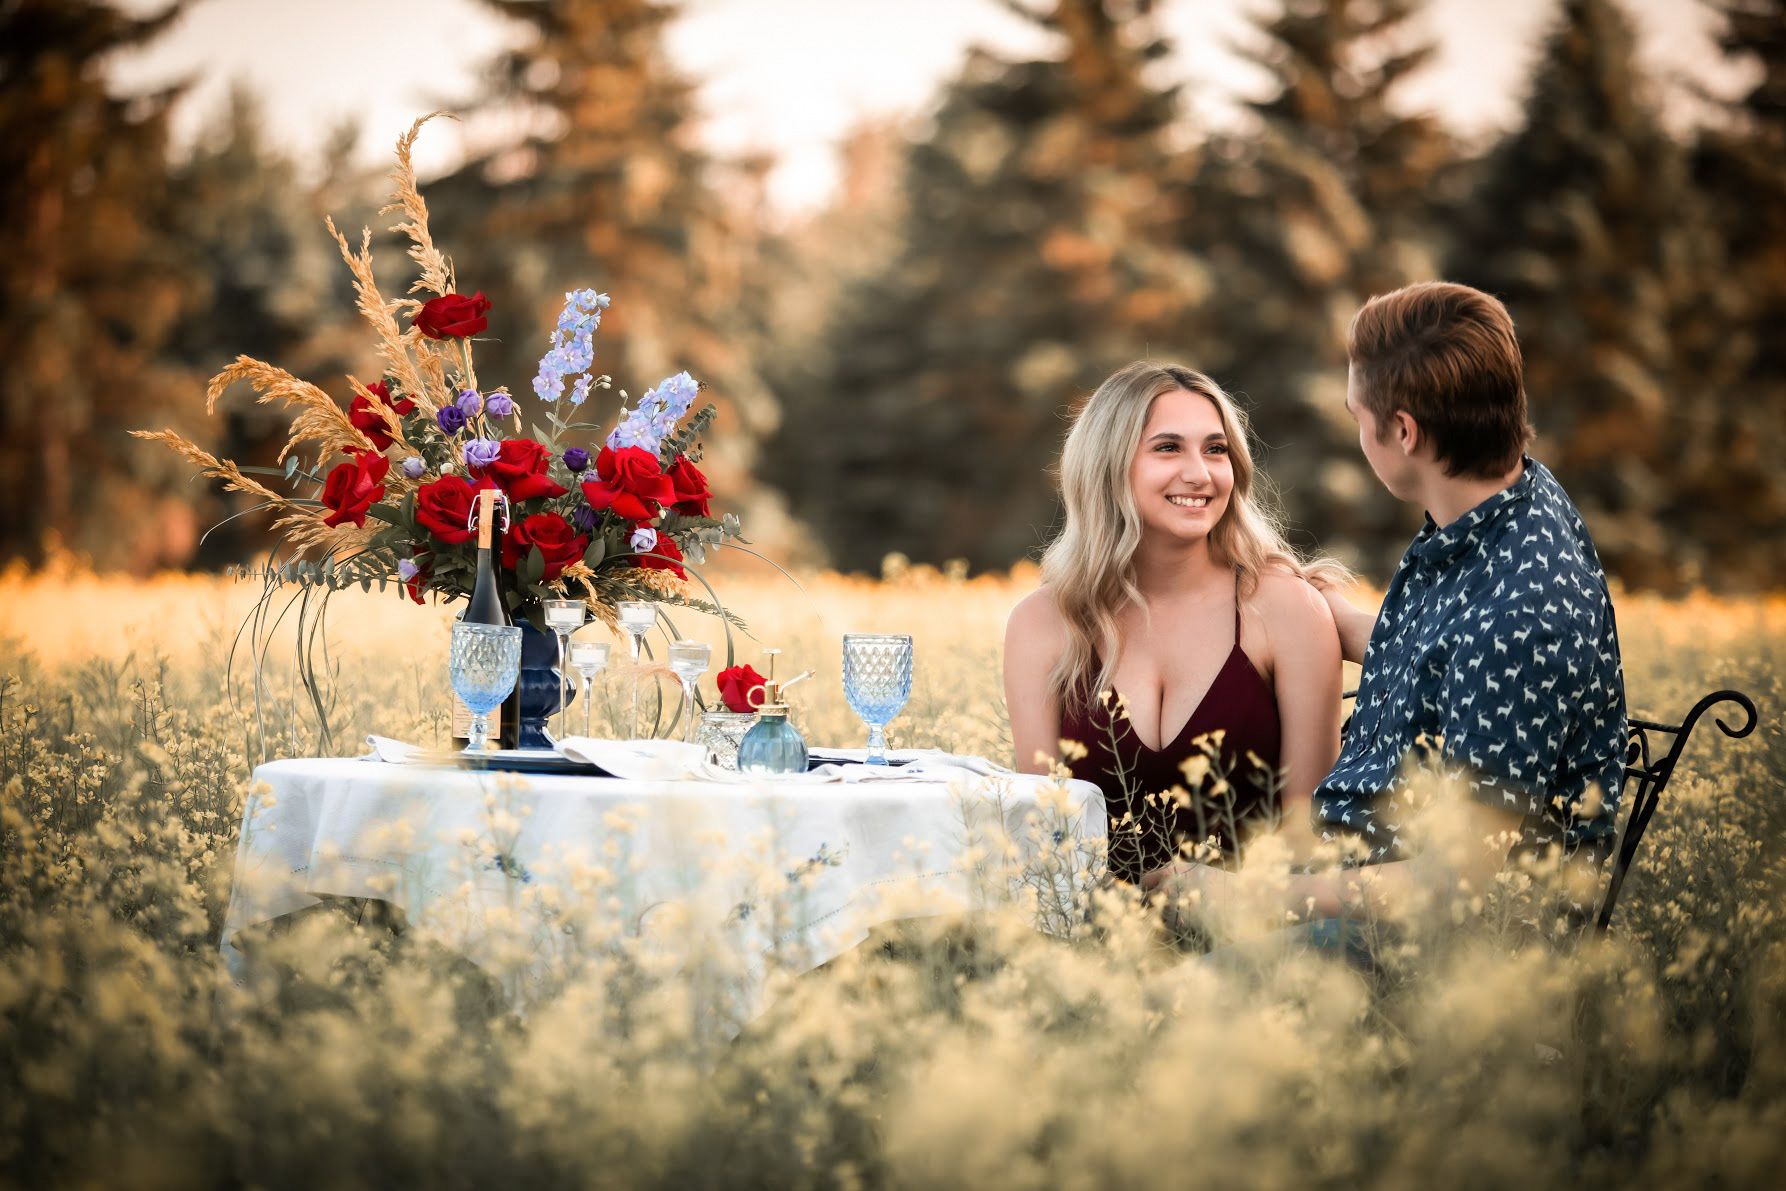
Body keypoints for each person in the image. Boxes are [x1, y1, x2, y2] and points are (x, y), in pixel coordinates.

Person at [1150, 282, 1627, 935]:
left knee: (1156, 1006)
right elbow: (1469, 659)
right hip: (1348, 886)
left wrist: (1250, 897)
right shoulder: (1507, 507)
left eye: (1356, 414)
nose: (1356, 432)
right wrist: (1346, 621)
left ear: (1403, 430)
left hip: (1413, 946)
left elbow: (1456, 884)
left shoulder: (1527, 610)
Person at [1004, 361, 1347, 887]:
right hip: (1092, 942)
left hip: (1254, 940)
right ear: (1108, 465)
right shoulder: (1042, 623)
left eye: (1216, 449)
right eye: (1168, 448)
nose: (1201, 473)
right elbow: (1043, 842)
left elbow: (1307, 838)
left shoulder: (1286, 611)